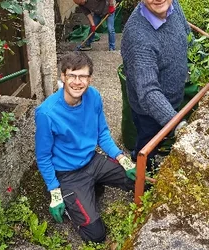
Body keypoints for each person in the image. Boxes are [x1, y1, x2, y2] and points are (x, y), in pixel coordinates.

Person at [35, 51, 136, 243]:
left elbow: (102, 134)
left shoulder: (94, 96)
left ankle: (94, 185)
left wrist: (122, 158)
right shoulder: (46, 113)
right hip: (68, 174)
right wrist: (54, 192)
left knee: (139, 180)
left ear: (89, 78)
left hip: (92, 160)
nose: (77, 82)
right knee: (96, 235)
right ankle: (74, 200)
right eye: (71, 75)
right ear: (63, 77)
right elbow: (43, 157)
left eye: (83, 76)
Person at [121, 0, 190, 172]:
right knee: (148, 144)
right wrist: (176, 124)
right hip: (148, 111)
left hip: (173, 100)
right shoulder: (138, 36)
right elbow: (148, 92)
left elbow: (187, 33)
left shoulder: (173, 6)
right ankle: (144, 173)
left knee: (159, 139)